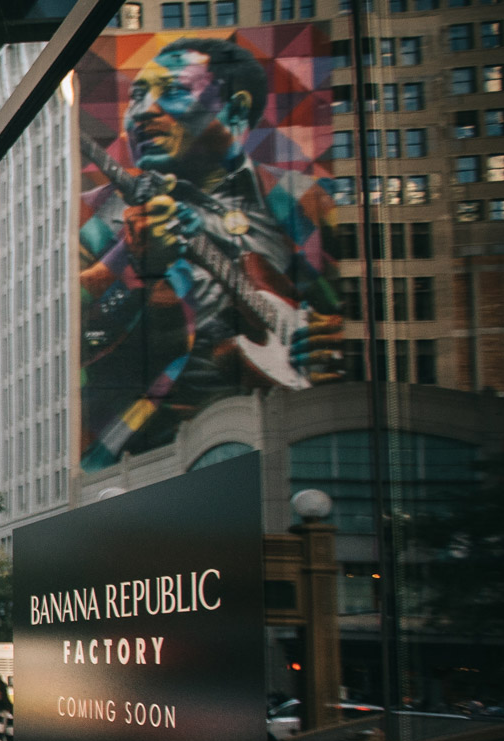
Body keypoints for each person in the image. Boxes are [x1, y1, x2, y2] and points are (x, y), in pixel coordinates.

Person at [79, 35, 344, 468]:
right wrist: (125, 263)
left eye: (174, 92)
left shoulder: (304, 200)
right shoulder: (91, 213)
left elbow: (340, 318)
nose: (143, 112)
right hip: (139, 452)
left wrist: (330, 341)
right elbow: (60, 335)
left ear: (236, 110)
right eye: (138, 97)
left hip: (289, 445)